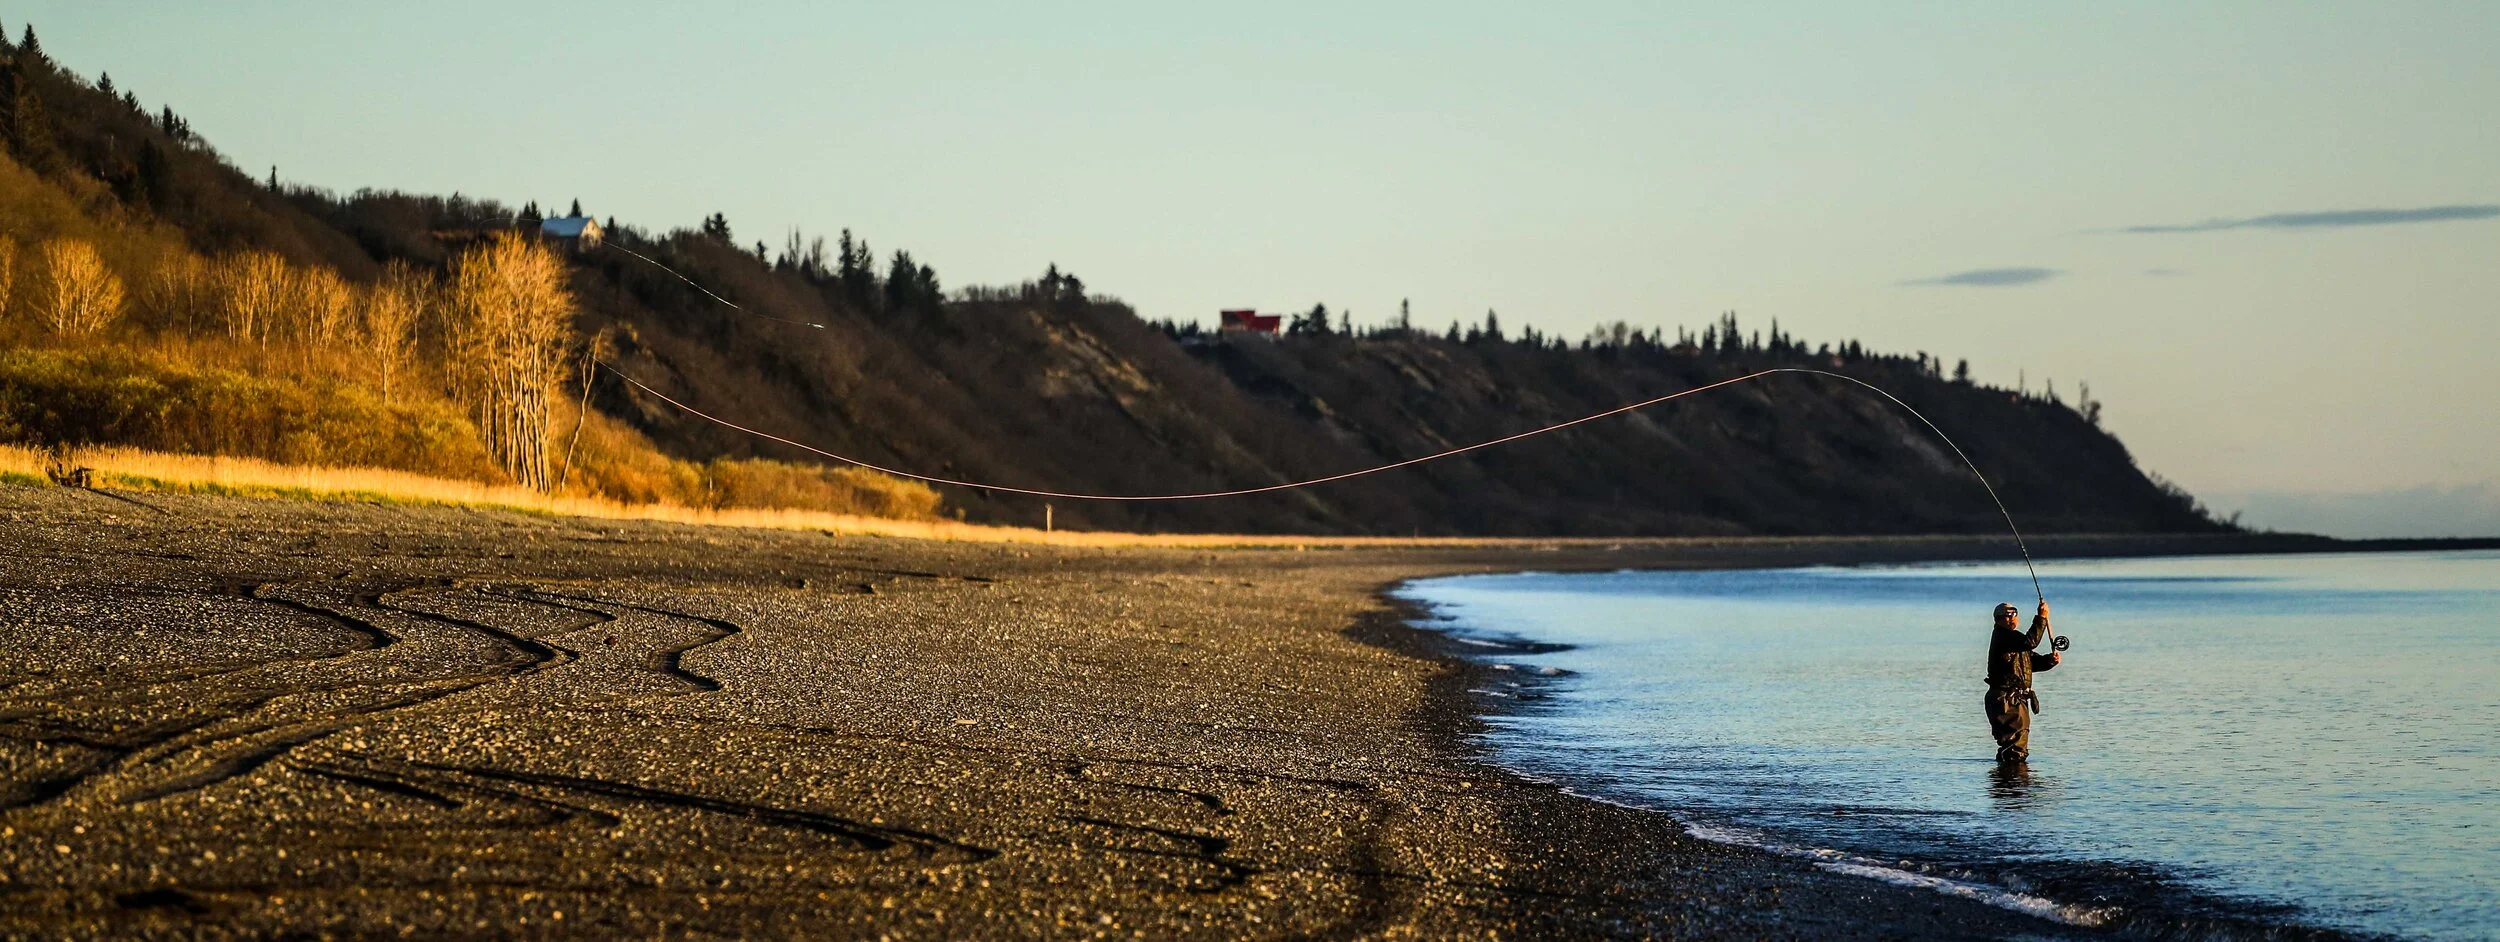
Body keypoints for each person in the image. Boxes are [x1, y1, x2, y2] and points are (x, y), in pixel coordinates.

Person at [1984, 600, 2059, 764]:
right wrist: (2042, 617)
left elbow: (2031, 663)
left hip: (2015, 700)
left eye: (2014, 614)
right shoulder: (2004, 636)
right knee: (2015, 747)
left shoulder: (2015, 641)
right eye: (2007, 616)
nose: (2012, 619)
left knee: (2017, 744)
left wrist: (2050, 660)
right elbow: (2030, 642)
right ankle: (2012, 785)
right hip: (2005, 699)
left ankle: (2009, 784)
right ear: (1998, 620)